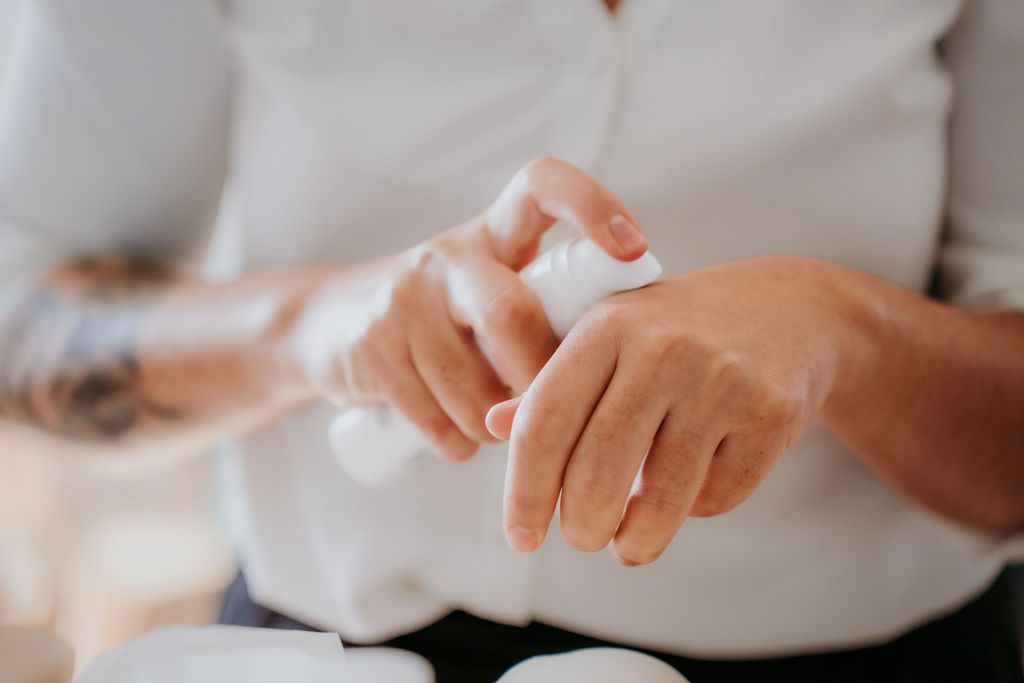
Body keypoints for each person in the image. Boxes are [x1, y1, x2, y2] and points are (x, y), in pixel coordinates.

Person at [1, 0, 1022, 680]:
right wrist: (314, 326)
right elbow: (20, 322)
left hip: (870, 653)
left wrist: (840, 331)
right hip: (335, 647)